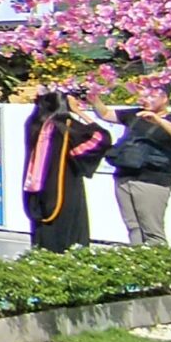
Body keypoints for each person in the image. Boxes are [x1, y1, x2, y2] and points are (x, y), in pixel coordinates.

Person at [19, 90, 110, 253]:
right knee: (66, 234)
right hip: (65, 187)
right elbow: (101, 138)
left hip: (39, 191)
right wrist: (78, 112)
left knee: (43, 233)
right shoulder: (65, 126)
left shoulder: (33, 124)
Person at [105, 97, 171, 246]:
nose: (145, 100)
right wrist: (93, 98)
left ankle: (157, 258)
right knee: (133, 228)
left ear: (164, 98)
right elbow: (105, 114)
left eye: (151, 96)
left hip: (153, 179)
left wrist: (159, 121)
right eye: (143, 95)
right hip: (124, 176)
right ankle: (137, 257)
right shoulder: (135, 114)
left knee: (152, 231)